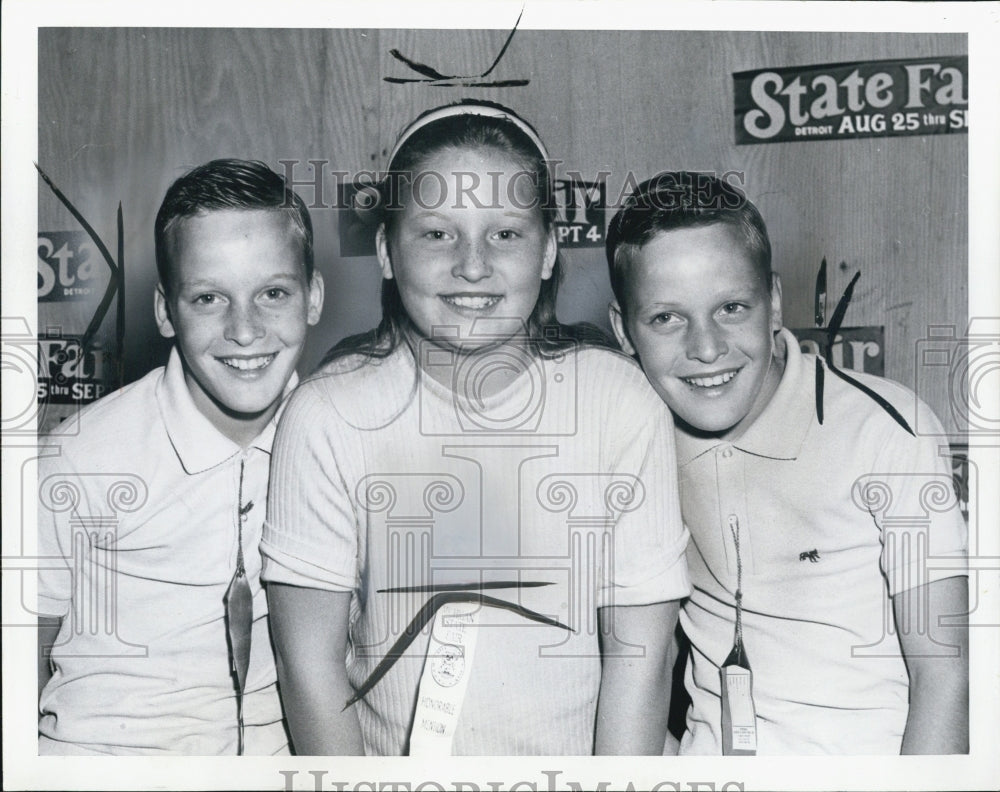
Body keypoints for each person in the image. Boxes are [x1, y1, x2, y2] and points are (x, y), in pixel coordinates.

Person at [260, 101, 690, 756]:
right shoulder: (328, 417)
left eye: (505, 234)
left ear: (548, 250)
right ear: (384, 250)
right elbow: (309, 670)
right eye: (436, 234)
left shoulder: (619, 404)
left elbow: (641, 660)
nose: (471, 264)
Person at [605, 171, 969, 755]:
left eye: (731, 307)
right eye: (667, 318)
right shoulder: (629, 443)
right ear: (624, 330)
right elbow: (638, 666)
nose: (706, 348)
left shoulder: (884, 430)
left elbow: (946, 676)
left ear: (773, 301)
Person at [36, 158, 325, 754]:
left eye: (273, 293)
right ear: (166, 311)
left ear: (313, 298)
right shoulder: (82, 456)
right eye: (208, 298)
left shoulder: (340, 443)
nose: (245, 330)